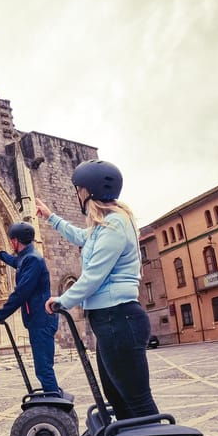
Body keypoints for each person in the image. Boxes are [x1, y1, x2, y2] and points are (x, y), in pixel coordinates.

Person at [40, 159, 158, 420]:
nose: (77, 194)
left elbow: (95, 275)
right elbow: (82, 237)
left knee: (136, 399)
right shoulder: (103, 226)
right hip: (110, 321)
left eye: (79, 189)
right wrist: (51, 218)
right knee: (117, 397)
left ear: (89, 191)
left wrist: (63, 300)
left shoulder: (115, 224)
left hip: (120, 318)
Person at [0, 222, 60, 395]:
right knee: (43, 367)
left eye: (11, 241)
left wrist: (0, 315)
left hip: (41, 319)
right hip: (38, 319)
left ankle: (56, 407)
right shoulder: (28, 258)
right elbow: (16, 262)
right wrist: (0, 254)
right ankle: (54, 399)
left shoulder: (33, 260)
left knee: (44, 368)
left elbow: (22, 292)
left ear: (15, 241)